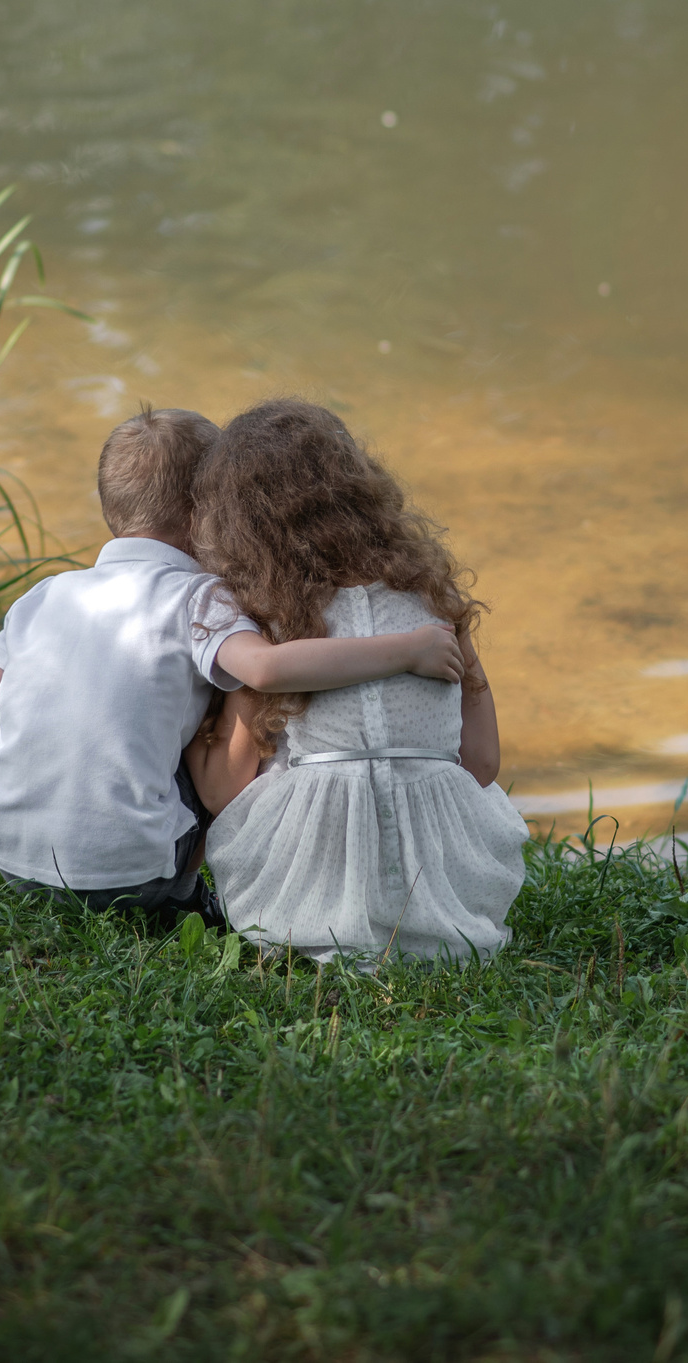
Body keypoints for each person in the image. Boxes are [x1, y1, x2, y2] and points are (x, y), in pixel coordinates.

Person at [0, 407, 462, 928]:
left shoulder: (45, 594)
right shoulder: (198, 597)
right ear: (208, 513)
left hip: (6, 856)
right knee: (206, 714)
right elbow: (264, 670)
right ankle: (185, 897)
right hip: (129, 879)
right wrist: (407, 650)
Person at [186, 398, 527, 963]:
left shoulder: (270, 621)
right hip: (453, 903)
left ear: (237, 522)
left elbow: (226, 790)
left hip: (305, 907)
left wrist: (194, 740)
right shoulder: (434, 600)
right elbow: (483, 763)